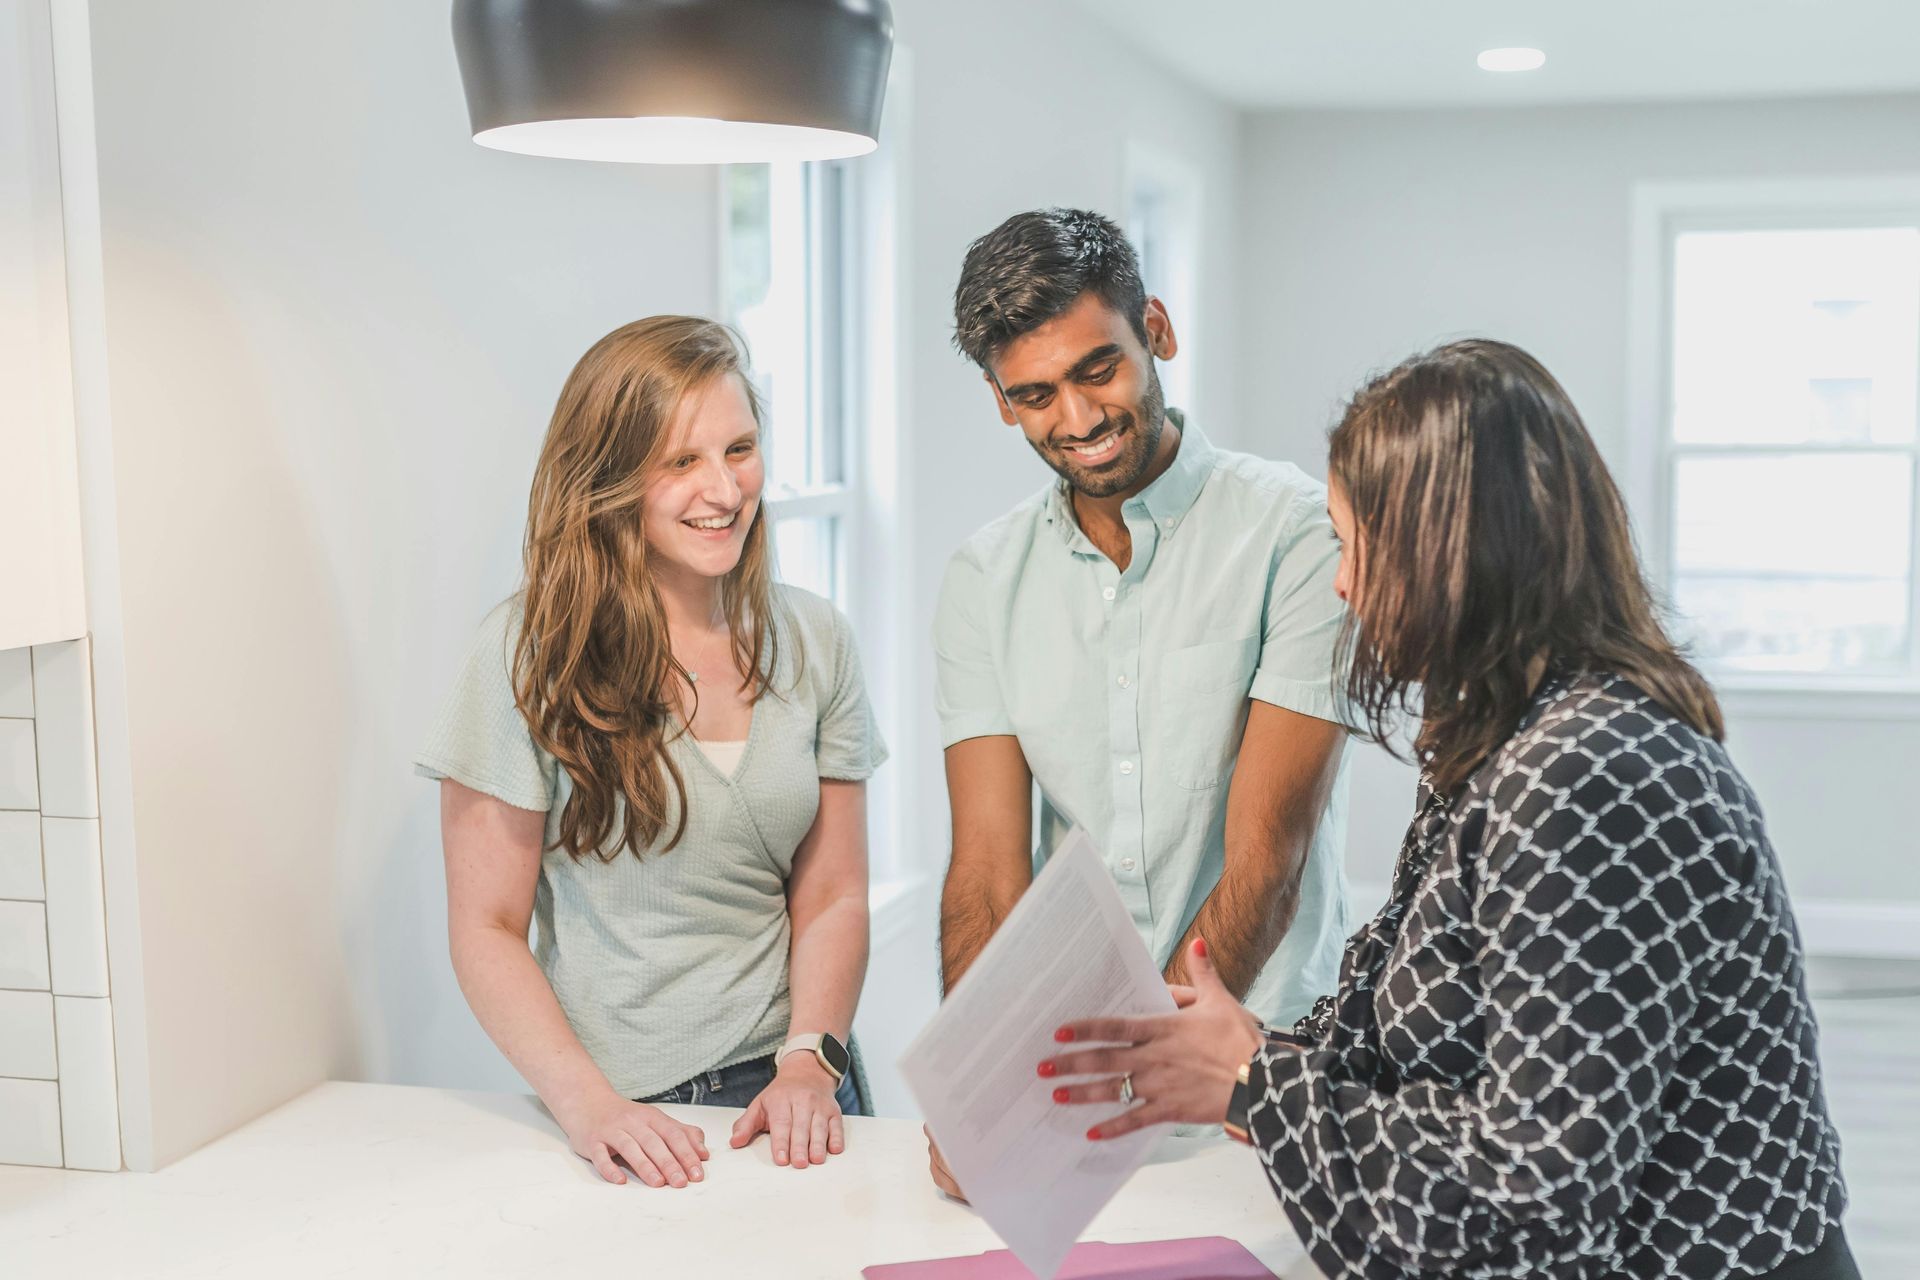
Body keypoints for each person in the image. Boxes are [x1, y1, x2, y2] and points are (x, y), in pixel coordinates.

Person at [1039, 339, 1857, 1279]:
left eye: (1352, 547)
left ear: (1450, 551)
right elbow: (1433, 1043)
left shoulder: (1582, 775)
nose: (1341, 586)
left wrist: (1253, 1079)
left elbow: (1536, 1201)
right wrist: (1232, 1055)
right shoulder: (1500, 735)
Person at [927, 209, 1352, 1197]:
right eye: (1034, 395)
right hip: (1070, 1078)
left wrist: (1146, 1069)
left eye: (1096, 370)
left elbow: (1269, 855)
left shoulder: (1293, 533)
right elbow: (987, 876)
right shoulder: (984, 579)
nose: (1075, 419)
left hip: (1263, 1065)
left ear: (1155, 327)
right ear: (999, 402)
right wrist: (982, 1087)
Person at [415, 316, 886, 1190]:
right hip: (625, 1117)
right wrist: (589, 1106)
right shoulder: (527, 654)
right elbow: (485, 929)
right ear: (611, 477)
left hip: (799, 1095)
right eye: (681, 461)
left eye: (739, 449)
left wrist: (809, 1064)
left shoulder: (817, 640)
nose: (724, 488)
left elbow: (833, 893)